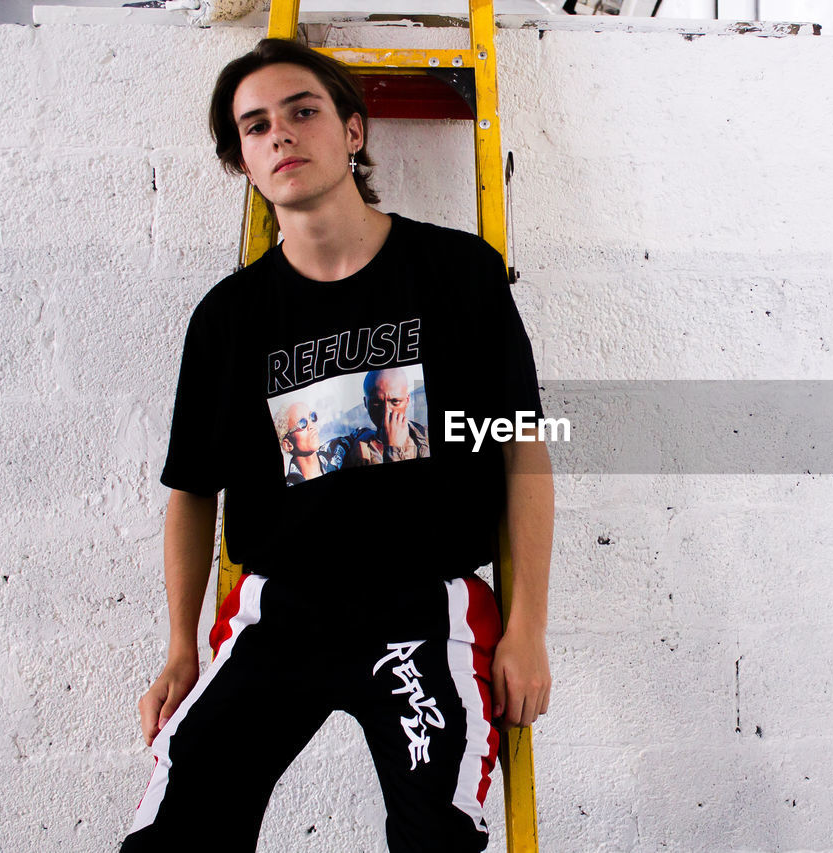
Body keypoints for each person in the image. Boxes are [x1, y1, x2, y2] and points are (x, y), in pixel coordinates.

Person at [121, 37, 553, 852]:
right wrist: (181, 647)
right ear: (241, 161)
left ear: (353, 132)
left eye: (302, 111)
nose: (280, 134)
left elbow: (523, 453)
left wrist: (528, 625)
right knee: (173, 836)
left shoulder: (458, 273)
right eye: (255, 126)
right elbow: (191, 492)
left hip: (424, 614)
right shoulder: (228, 319)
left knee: (438, 836)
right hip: (279, 613)